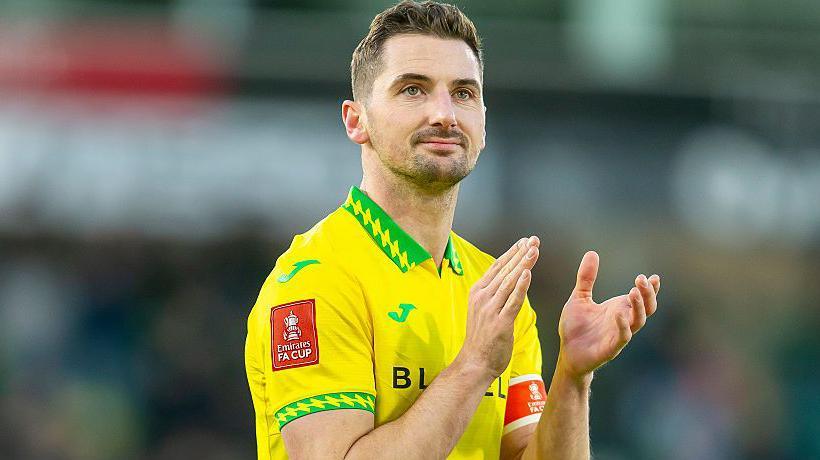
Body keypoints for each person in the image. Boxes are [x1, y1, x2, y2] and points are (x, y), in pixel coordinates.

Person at [244, 1, 661, 458]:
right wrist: (475, 364)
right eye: (413, 90)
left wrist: (573, 376)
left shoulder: (495, 291)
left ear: (483, 119)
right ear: (355, 120)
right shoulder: (317, 279)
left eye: (463, 93)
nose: (444, 113)